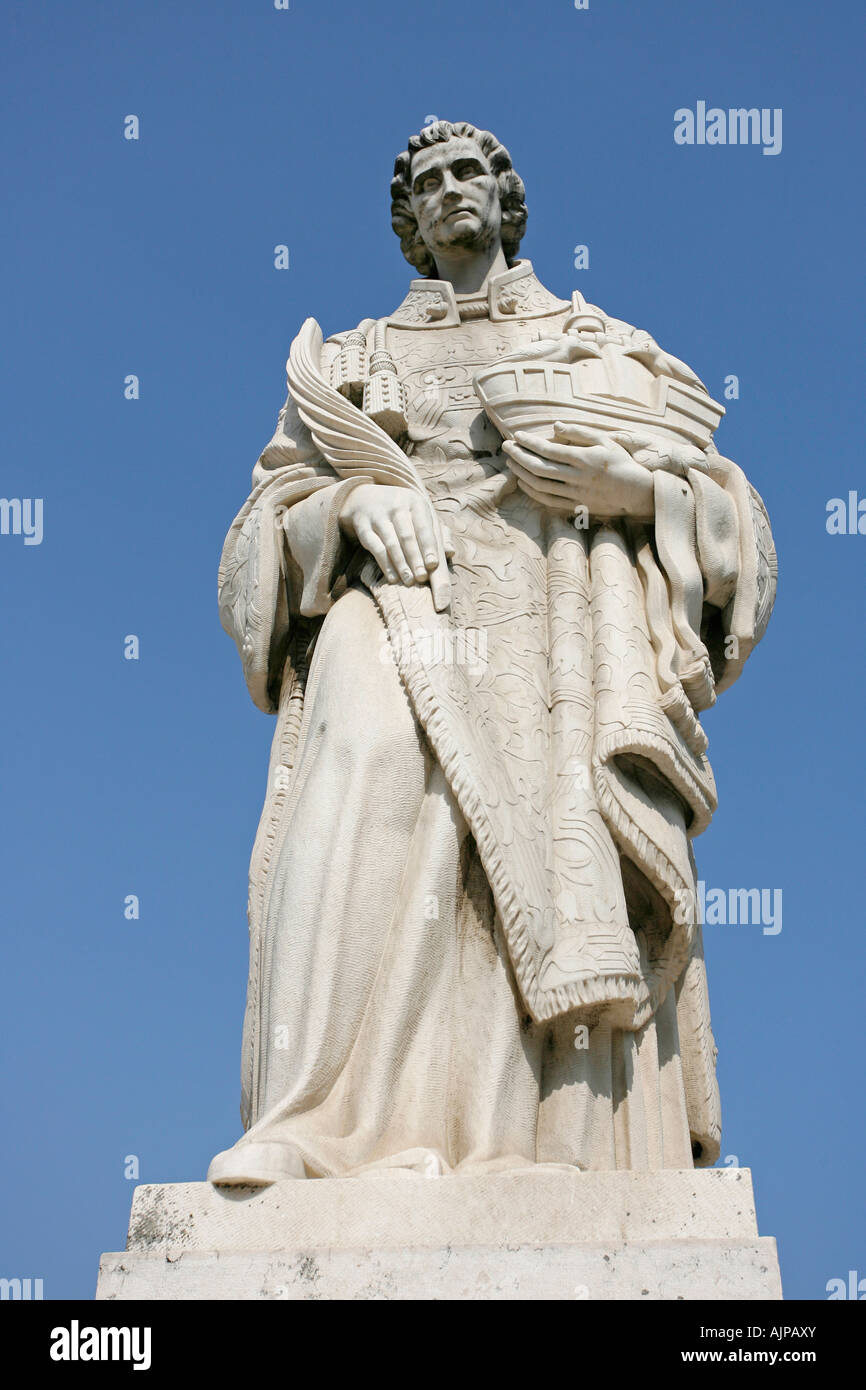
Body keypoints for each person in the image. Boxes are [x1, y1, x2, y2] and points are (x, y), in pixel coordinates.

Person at [208, 120, 776, 1186]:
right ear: (407, 220)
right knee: (360, 775)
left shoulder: (596, 344)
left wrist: (630, 493)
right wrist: (349, 502)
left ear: (506, 198)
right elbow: (254, 538)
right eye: (424, 182)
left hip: (555, 622)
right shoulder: (348, 361)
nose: (447, 190)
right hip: (394, 604)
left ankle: (526, 1144)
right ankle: (318, 1124)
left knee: (551, 839)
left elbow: (734, 520)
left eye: (467, 172)